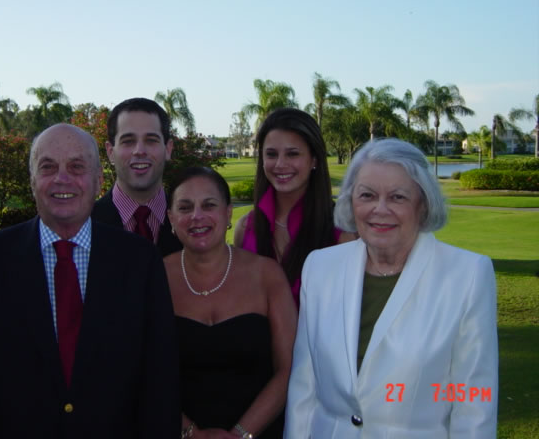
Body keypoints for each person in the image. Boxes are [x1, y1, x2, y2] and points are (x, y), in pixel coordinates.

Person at [0, 123, 180, 438]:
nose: (62, 178)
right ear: (32, 181)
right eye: (48, 167)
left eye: (77, 167)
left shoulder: (140, 260)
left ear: (98, 181)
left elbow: (160, 378)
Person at [284, 138, 498, 438]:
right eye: (367, 195)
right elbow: (304, 387)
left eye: (397, 197)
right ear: (350, 201)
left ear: (423, 204)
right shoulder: (320, 268)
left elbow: (474, 402)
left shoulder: (467, 275)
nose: (380, 209)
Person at [164, 166, 297, 439]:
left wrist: (240, 435)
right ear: (171, 218)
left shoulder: (267, 274)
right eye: (185, 207)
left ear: (228, 213)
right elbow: (143, 371)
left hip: (260, 432)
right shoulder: (155, 277)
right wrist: (191, 433)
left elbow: (289, 369)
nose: (197, 216)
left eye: (209, 205)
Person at [234, 108, 354, 306]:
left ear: (314, 159)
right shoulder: (246, 228)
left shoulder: (342, 236)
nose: (280, 164)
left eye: (292, 154)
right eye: (271, 154)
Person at [91, 97, 182, 256]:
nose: (140, 151)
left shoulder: (189, 223)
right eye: (128, 141)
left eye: (151, 140)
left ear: (168, 149)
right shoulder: (84, 224)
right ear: (110, 151)